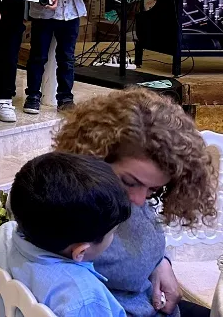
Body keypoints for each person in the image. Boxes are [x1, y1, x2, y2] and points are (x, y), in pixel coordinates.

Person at [53, 88, 217, 317]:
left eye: (153, 190)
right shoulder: (62, 216)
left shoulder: (117, 192)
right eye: (129, 182)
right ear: (95, 156)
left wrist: (161, 262)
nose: (139, 200)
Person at [0, 152, 132, 317]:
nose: (113, 237)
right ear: (80, 251)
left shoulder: (5, 235)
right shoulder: (85, 299)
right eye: (113, 232)